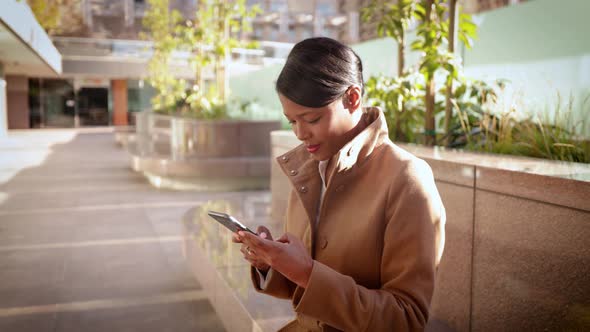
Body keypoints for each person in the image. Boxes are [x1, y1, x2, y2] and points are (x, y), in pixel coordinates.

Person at [232, 37, 446, 331]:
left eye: (311, 119)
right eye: (292, 121)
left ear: (353, 98)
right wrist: (271, 262)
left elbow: (406, 319)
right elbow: (305, 287)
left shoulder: (406, 179)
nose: (300, 133)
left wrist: (308, 273)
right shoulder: (308, 170)